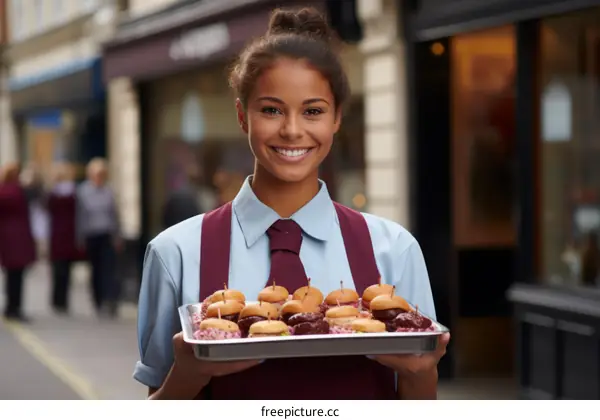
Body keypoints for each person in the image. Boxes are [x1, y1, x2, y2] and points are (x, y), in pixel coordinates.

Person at [135, 7, 449, 400]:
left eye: (313, 111)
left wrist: (422, 374)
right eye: (271, 110)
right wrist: (188, 375)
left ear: (336, 118)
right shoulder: (175, 252)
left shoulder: (394, 249)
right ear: (242, 115)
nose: (292, 130)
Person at [76, 158, 121, 317]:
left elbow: (115, 215)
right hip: (91, 235)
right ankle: (98, 300)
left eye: (102, 174)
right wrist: (79, 237)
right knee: (95, 270)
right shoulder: (83, 192)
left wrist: (117, 236)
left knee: (108, 269)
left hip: (107, 234)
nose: (99, 178)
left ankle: (110, 300)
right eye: (96, 174)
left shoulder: (109, 191)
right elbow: (80, 216)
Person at [0, 163, 37, 322]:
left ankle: (10, 307)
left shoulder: (3, 192)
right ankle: (15, 307)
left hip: (6, 240)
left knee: (10, 276)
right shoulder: (19, 192)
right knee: (17, 277)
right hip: (19, 238)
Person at [47, 162, 85, 314]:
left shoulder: (73, 192)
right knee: (58, 269)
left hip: (67, 234)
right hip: (59, 234)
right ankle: (57, 300)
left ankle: (62, 300)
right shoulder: (54, 193)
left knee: (65, 269)